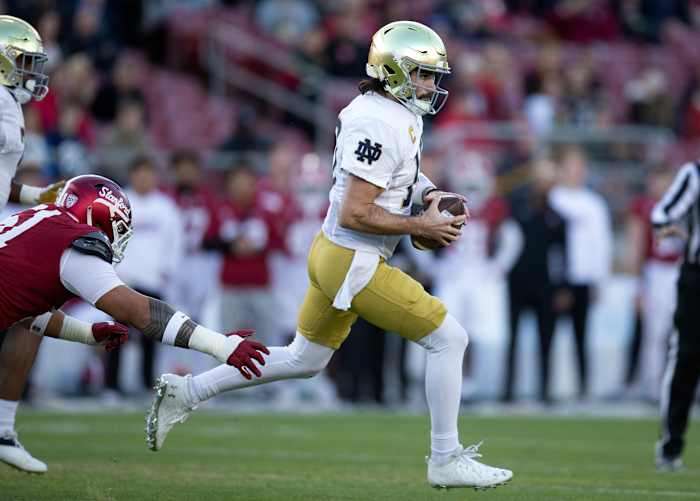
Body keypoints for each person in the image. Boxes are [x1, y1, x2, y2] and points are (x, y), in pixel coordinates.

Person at [146, 20, 513, 489]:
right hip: (352, 256)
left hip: (336, 253)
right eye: (421, 73)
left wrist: (430, 193)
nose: (429, 84)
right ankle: (445, 457)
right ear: (394, 70)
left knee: (304, 360)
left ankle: (189, 390)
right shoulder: (378, 121)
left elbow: (397, 181)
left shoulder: (391, 112)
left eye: (431, 75)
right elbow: (356, 212)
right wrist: (420, 224)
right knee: (449, 339)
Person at [0, 175, 269, 470]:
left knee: (26, 334)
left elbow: (26, 312)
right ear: (98, 213)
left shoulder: (38, 218)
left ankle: (3, 433)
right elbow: (142, 313)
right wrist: (220, 345)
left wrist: (88, 334)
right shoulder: (73, 244)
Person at [0, 15, 79, 473]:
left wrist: (34, 196)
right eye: (25, 61)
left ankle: (4, 428)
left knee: (30, 311)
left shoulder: (10, 104)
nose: (33, 71)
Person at [105, 157, 183, 396]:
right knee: (116, 335)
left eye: (149, 173)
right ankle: (111, 386)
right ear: (131, 175)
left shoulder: (166, 207)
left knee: (152, 337)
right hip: (122, 281)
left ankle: (146, 383)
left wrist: (167, 272)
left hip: (153, 281)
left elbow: (176, 242)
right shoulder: (118, 202)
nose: (144, 178)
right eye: (140, 173)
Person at [502, 159, 569, 403]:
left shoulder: (558, 218)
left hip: (545, 286)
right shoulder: (518, 211)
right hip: (517, 283)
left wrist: (562, 287)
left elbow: (562, 256)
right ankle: (507, 390)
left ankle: (545, 391)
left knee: (546, 340)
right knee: (512, 338)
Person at [549, 145, 613, 399]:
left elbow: (603, 244)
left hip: (584, 278)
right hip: (557, 279)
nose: (574, 172)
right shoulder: (553, 198)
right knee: (550, 335)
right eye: (570, 166)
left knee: (581, 337)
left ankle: (583, 389)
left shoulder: (594, 204)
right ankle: (548, 388)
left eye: (579, 167)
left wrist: (600, 280)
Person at [652, 160, 700, 471]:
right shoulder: (694, 173)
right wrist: (667, 227)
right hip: (697, 278)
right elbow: (663, 212)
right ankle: (671, 447)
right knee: (686, 358)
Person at [624, 169, 682, 401]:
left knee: (682, 333)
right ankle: (652, 385)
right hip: (656, 272)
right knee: (655, 332)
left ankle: (681, 384)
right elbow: (636, 246)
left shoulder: (683, 206)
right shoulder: (645, 207)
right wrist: (637, 284)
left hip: (680, 270)